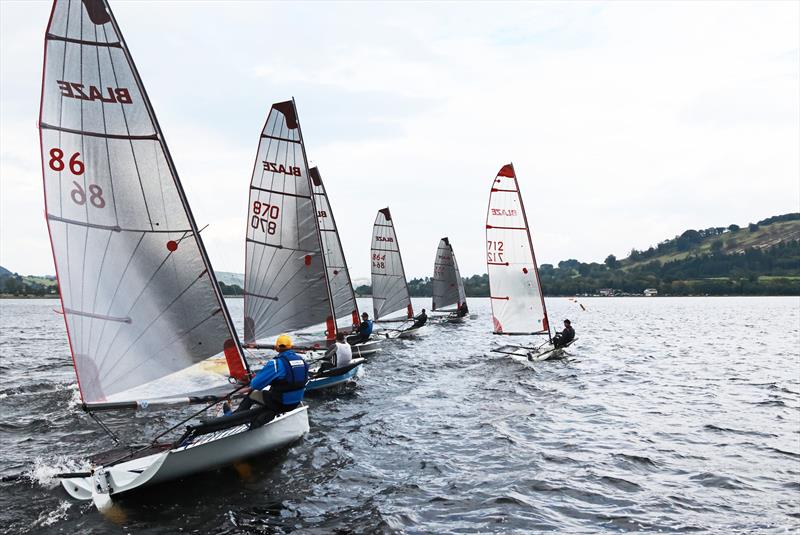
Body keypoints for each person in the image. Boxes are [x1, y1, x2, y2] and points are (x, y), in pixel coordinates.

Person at [232, 333, 309, 427]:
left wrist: (241, 390)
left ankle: (232, 419)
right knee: (271, 399)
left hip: (281, 403)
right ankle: (256, 423)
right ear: (291, 347)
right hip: (295, 402)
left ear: (277, 348)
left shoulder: (276, 363)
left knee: (252, 395)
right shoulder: (303, 361)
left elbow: (255, 384)